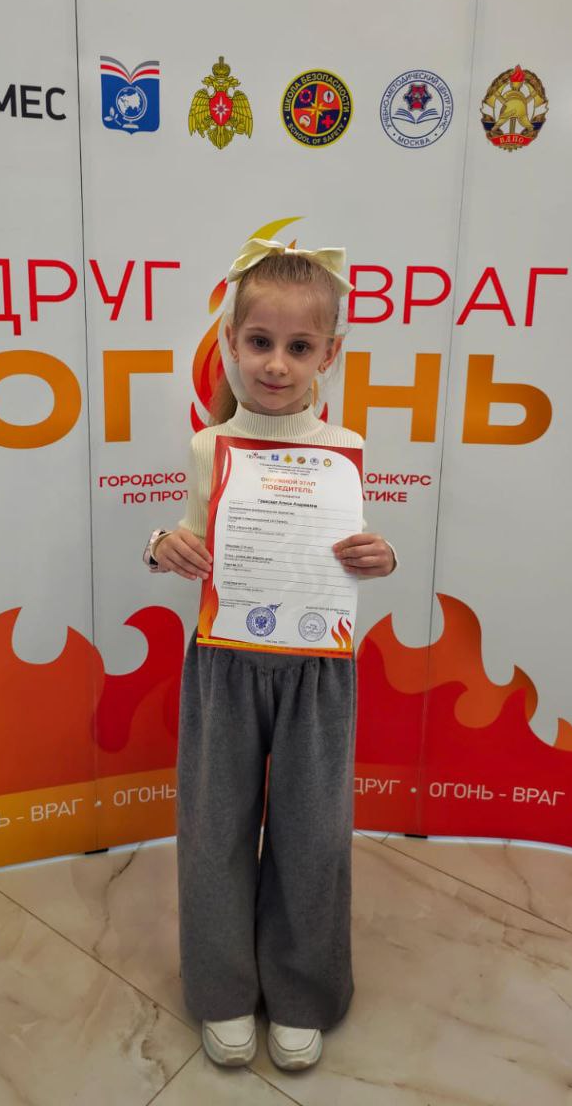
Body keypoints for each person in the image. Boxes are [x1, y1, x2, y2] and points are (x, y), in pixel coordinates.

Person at [142, 238, 397, 1071]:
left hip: (318, 666)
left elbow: (351, 549)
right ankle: (221, 988)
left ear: (330, 352)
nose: (277, 364)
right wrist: (163, 546)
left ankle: (302, 991)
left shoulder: (345, 446)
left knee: (312, 832)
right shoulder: (208, 448)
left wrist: (381, 556)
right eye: (260, 341)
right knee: (213, 825)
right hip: (225, 659)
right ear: (229, 341)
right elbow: (191, 534)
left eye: (298, 345)